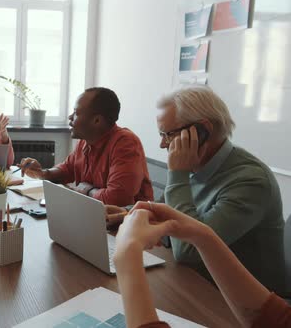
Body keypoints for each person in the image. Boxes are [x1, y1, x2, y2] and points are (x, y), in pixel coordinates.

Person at [106, 86, 284, 292]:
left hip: (246, 306)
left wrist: (177, 174)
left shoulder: (251, 182)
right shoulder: (198, 162)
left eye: (168, 134)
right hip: (199, 282)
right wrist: (126, 213)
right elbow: (164, 211)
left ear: (202, 132)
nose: (163, 144)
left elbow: (189, 251)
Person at [113, 202, 291, 328]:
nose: (164, 146)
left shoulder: (250, 179)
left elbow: (184, 252)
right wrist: (202, 236)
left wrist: (128, 256)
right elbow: (275, 321)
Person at [19, 87, 153, 206]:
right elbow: (66, 170)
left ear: (97, 121)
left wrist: (86, 190)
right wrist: (42, 173)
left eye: (76, 113)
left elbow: (116, 199)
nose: (70, 117)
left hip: (127, 227)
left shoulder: (125, 143)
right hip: (94, 218)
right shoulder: (85, 142)